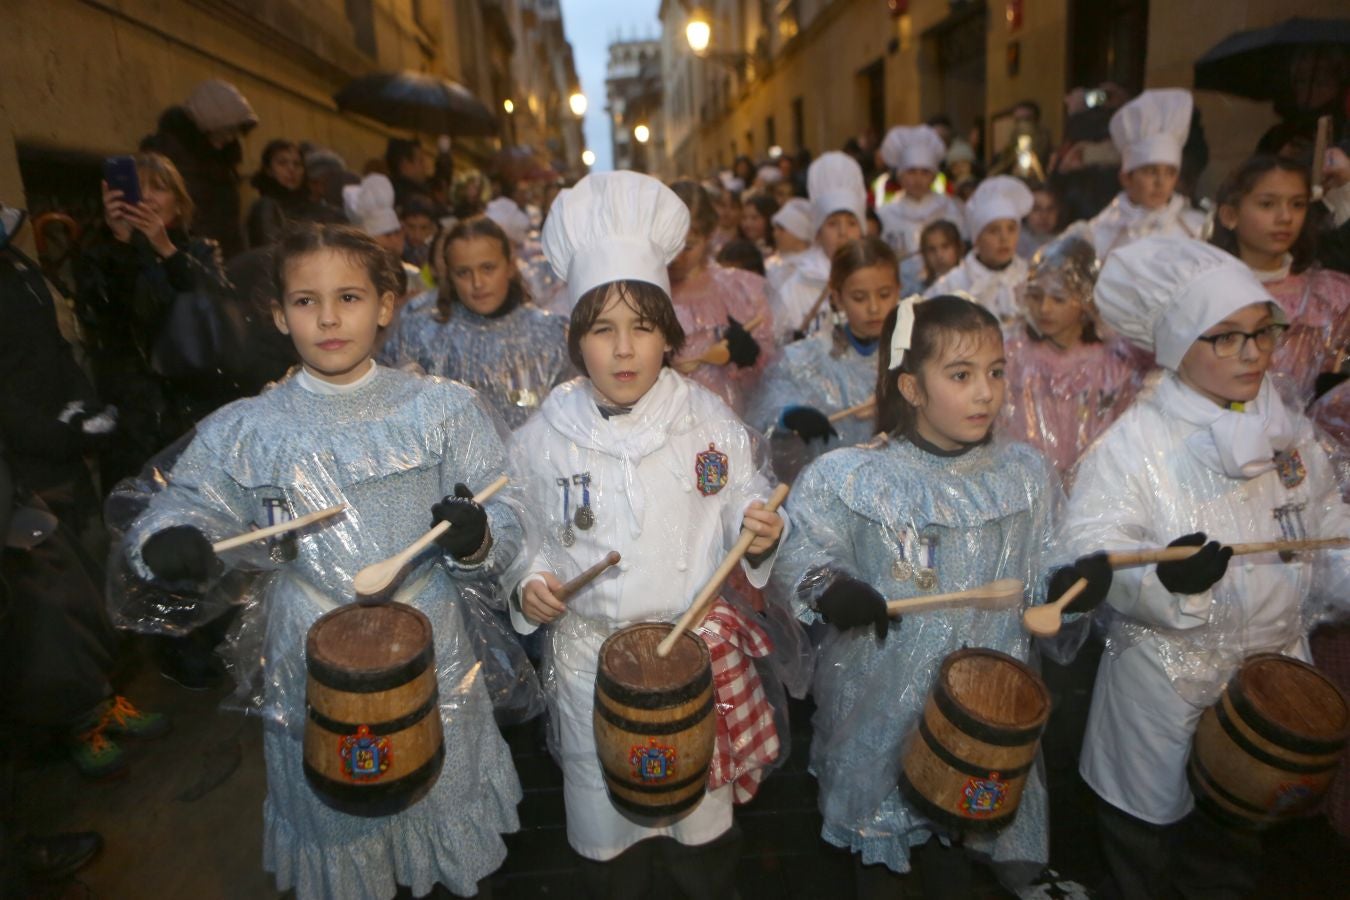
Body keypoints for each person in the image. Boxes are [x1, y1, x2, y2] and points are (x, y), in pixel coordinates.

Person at [116, 223, 525, 899]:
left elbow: (505, 513)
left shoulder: (443, 410)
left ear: (387, 304)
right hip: (307, 648)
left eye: (350, 297)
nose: (329, 317)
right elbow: (179, 502)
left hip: (431, 644)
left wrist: (476, 535)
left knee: (439, 789)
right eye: (306, 302)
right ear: (279, 314)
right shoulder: (246, 428)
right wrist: (169, 538)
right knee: (339, 814)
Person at [507, 170, 789, 899]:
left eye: (643, 326)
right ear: (576, 340)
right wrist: (529, 585)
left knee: (703, 840)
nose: (624, 349)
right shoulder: (543, 440)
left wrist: (756, 531)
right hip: (589, 667)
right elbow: (523, 537)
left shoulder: (705, 422)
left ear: (670, 334)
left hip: (692, 658)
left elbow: (741, 501)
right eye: (603, 329)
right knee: (609, 850)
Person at [770, 293, 1107, 897]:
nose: (985, 392)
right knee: (885, 867)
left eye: (996, 372)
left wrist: (1070, 586)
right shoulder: (851, 476)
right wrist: (830, 588)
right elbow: (802, 551)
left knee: (966, 854)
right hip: (880, 709)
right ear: (912, 388)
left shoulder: (1024, 475)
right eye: (960, 375)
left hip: (985, 712)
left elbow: (1046, 568)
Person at [1060, 237, 1350, 899]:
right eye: (1224, 338)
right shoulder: (1135, 444)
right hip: (1165, 688)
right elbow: (1090, 550)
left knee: (1235, 862)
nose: (1252, 354)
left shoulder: (1289, 429)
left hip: (1269, 696)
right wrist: (1162, 582)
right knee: (1152, 860)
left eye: (1261, 332)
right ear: (1176, 345)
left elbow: (1324, 526)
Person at [77, 151, 236, 488]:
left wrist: (166, 250)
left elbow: (218, 312)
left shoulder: (199, 253)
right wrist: (123, 241)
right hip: (136, 415)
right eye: (137, 188)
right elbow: (106, 323)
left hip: (196, 409)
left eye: (159, 188)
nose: (147, 197)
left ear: (179, 205)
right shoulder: (102, 256)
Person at [379, 216, 572, 429]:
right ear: (450, 276)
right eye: (463, 273)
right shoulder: (421, 334)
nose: (477, 283)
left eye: (488, 268)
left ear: (509, 267)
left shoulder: (549, 334)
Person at [997, 232, 1148, 485]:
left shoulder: (1112, 363)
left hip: (1093, 491)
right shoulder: (1013, 355)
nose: (1045, 308)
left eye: (1059, 299)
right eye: (1036, 296)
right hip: (1024, 490)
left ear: (1086, 300)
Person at [748, 237, 896, 481]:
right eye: (859, 297)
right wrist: (789, 416)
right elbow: (763, 417)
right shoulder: (802, 359)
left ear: (899, 290)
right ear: (837, 297)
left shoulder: (915, 360)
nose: (873, 307)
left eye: (884, 294)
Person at [1210, 154, 1350, 406]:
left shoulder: (1331, 297)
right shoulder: (1201, 292)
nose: (1285, 217)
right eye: (1267, 204)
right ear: (1230, 215)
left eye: (1297, 204)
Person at [667, 180, 775, 416]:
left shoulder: (738, 289)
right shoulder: (647, 292)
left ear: (709, 236)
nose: (676, 258)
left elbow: (769, 374)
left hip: (725, 419)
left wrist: (751, 356)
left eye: (688, 247)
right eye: (668, 245)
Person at [142, 79, 258, 259]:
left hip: (218, 260)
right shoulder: (170, 156)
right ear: (208, 123)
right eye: (226, 130)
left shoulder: (224, 163)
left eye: (234, 132)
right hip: (183, 260)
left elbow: (229, 225)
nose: (229, 138)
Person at [1083, 89, 1206, 259]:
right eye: (1151, 172)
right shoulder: (1102, 231)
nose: (1161, 182)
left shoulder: (1196, 229)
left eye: (1170, 173)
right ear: (1126, 178)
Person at [773, 152, 868, 344]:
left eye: (851, 223)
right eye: (832, 224)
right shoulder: (797, 285)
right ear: (818, 232)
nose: (843, 233)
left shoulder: (876, 274)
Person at [925, 176, 1034, 322]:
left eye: (1011, 229)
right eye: (994, 230)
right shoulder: (952, 285)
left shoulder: (1030, 277)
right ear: (977, 239)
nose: (1004, 238)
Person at [875, 126, 968, 265]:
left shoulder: (952, 208)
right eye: (911, 171)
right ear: (900, 176)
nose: (918, 179)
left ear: (934, 176)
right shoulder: (885, 214)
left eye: (925, 172)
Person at [246, 139, 334, 249]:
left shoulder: (312, 207)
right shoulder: (266, 206)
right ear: (269, 170)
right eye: (282, 163)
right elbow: (270, 249)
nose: (291, 169)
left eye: (297, 164)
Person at [765, 197, 813, 293]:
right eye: (775, 229)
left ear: (799, 234)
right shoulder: (772, 263)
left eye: (781, 229)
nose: (775, 234)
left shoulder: (813, 269)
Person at [1017, 184, 1062, 259]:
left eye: (1050, 209)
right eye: (1036, 209)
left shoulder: (1066, 242)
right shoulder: (1015, 243)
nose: (1044, 216)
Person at [917, 220, 963, 292]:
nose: (939, 255)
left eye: (945, 247)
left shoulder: (972, 282)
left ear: (958, 248)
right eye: (931, 250)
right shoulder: (921, 291)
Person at [739, 193, 778, 259]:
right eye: (744, 217)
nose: (747, 224)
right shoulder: (739, 248)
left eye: (754, 218)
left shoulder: (777, 252)